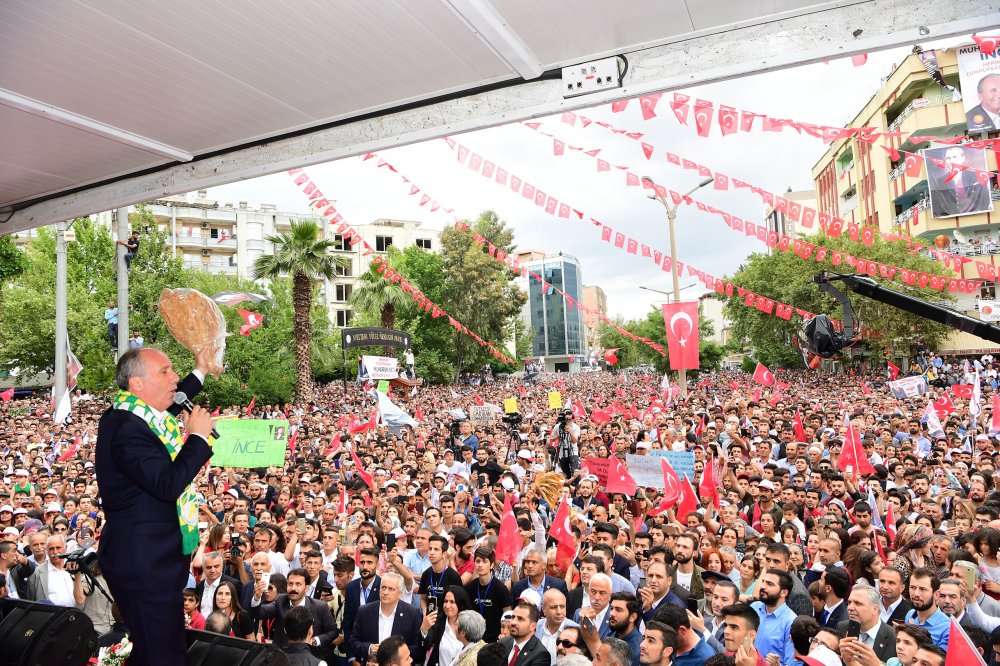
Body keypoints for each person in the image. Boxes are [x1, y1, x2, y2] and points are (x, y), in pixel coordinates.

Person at [95, 347, 216, 666]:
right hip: (144, 564)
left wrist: (200, 370)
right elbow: (167, 484)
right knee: (165, 656)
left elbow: (173, 400)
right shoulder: (128, 430)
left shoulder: (132, 414)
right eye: (165, 371)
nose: (174, 377)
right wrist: (198, 439)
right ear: (136, 384)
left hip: (145, 559)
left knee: (153, 651)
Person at [250, 568, 338, 658]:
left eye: (298, 584)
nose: (293, 588)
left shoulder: (320, 607)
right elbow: (260, 613)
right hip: (282, 657)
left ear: (306, 588)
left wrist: (315, 640)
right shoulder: (281, 600)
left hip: (310, 658)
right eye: (290, 584)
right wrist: (256, 598)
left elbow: (333, 631)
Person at [348, 571, 423, 664]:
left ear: (400, 593)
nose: (385, 592)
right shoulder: (365, 611)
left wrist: (394, 654)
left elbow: (417, 647)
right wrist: (369, 648)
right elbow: (353, 642)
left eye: (391, 589)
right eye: (383, 587)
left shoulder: (412, 613)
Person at [837, 583, 897, 663]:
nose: (850, 607)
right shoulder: (842, 627)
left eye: (858, 603)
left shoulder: (893, 637)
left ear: (875, 609)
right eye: (849, 602)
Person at [929, 146, 992, 217]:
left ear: (963, 158)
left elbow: (985, 199)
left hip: (975, 217)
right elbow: (937, 205)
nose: (951, 161)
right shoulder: (939, 182)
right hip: (951, 220)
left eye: (954, 157)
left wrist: (977, 214)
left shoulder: (976, 177)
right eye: (948, 158)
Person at [750, 569, 795, 665]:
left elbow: (790, 662)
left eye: (769, 584)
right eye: (763, 581)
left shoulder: (791, 622)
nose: (762, 586)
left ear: (784, 593)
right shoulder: (754, 607)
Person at [501, 600, 552, 666]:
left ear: (533, 626)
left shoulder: (540, 655)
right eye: (513, 617)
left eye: (520, 619)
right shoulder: (503, 643)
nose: (513, 622)